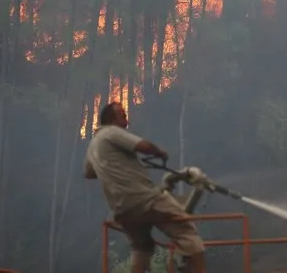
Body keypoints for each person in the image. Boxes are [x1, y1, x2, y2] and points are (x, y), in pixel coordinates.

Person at [84, 101, 206, 273]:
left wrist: (116, 165)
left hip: (122, 209)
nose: (126, 117)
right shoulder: (111, 132)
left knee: (142, 248)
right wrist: (160, 152)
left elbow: (89, 173)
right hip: (144, 199)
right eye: (123, 114)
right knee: (187, 232)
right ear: (112, 118)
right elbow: (143, 146)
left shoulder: (93, 146)